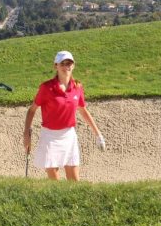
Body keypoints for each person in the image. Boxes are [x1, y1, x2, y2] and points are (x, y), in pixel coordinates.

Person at [23, 50, 106, 181]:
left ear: (73, 66)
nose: (66, 66)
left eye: (69, 63)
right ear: (55, 66)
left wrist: (98, 134)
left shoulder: (77, 87)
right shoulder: (46, 87)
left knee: (74, 180)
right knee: (54, 183)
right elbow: (32, 110)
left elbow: (83, 111)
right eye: (63, 63)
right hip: (49, 137)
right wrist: (26, 133)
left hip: (69, 136)